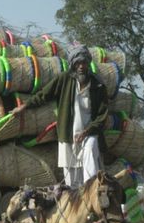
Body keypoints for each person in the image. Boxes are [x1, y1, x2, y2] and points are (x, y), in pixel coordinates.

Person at [12, 44, 109, 187]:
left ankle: (92, 189)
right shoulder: (65, 79)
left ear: (88, 63)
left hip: (89, 134)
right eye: (78, 63)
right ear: (73, 64)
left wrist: (87, 131)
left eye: (84, 62)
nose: (81, 66)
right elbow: (45, 94)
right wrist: (25, 106)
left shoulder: (98, 85)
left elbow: (102, 116)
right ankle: (75, 200)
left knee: (90, 155)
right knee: (71, 178)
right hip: (67, 134)